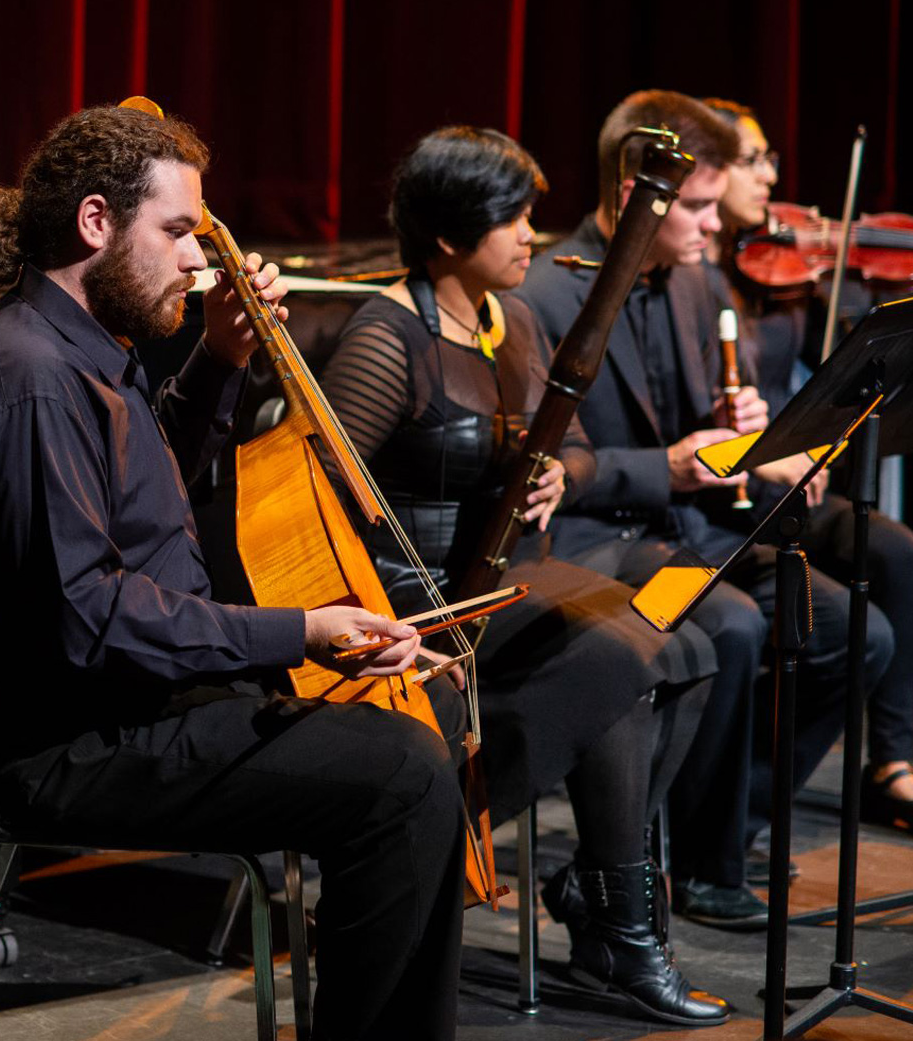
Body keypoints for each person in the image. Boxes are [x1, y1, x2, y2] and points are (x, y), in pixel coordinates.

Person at [0, 103, 466, 1041]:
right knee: (402, 776)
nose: (197, 260)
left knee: (427, 714)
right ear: (97, 222)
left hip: (133, 698)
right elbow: (87, 616)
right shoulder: (30, 377)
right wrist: (299, 632)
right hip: (64, 741)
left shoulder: (86, 346)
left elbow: (141, 487)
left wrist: (220, 358)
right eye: (177, 232)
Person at [319, 126, 726, 1027]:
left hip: (505, 580)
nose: (530, 234)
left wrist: (560, 476)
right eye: (512, 217)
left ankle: (600, 891)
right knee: (617, 664)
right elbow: (319, 493)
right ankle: (618, 923)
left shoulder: (513, 320)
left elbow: (571, 445)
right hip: (418, 598)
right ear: (449, 235)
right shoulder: (388, 336)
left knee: (689, 643)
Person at [516, 89, 894, 930]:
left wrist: (753, 433)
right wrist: (670, 467)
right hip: (594, 544)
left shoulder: (693, 280)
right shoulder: (546, 293)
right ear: (637, 196)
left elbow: (712, 424)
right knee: (732, 625)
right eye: (696, 207)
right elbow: (553, 471)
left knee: (856, 633)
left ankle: (720, 830)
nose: (716, 226)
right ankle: (692, 867)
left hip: (689, 532)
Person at [706, 97, 913, 832]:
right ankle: (738, 811)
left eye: (770, 160)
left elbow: (834, 361)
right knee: (834, 621)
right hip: (726, 497)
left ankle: (893, 761)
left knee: (894, 549)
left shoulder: (784, 279)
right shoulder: (692, 281)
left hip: (787, 489)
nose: (770, 176)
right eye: (752, 161)